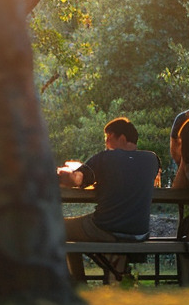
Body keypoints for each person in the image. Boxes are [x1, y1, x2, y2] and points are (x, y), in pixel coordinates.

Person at [58, 117, 161, 284]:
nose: (106, 143)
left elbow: (78, 180)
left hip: (106, 227)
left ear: (121, 138)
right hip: (139, 232)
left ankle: (78, 282)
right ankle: (114, 264)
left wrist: (65, 175)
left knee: (59, 227)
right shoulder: (152, 160)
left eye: (108, 137)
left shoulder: (105, 158)